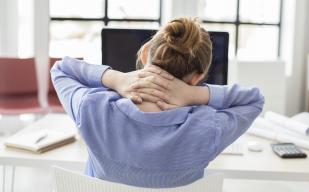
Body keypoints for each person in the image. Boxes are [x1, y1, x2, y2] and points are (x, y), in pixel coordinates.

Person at [50, 17, 264, 188]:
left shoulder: (93, 108)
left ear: (144, 54)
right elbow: (254, 99)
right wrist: (194, 94)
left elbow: (61, 69)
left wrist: (117, 78)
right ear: (197, 77)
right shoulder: (207, 128)